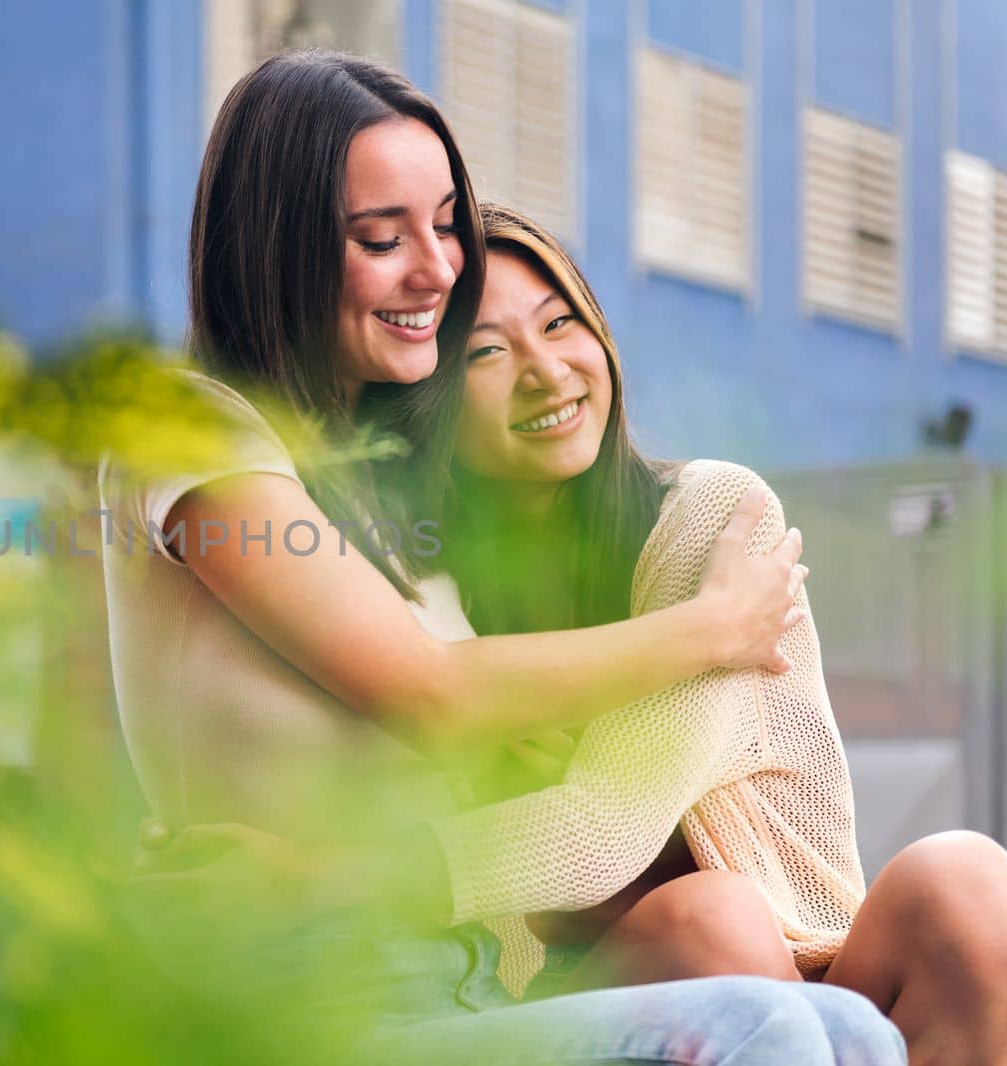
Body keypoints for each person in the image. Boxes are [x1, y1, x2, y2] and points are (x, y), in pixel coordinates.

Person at [100, 49, 903, 1063]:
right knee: (760, 1020)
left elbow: (522, 765)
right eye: (380, 238)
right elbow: (434, 690)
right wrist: (709, 628)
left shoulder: (390, 512)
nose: (436, 266)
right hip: (300, 1000)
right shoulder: (189, 425)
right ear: (279, 247)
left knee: (852, 1032)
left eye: (443, 222)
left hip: (453, 987)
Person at [432, 200, 1007, 1065]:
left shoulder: (711, 519)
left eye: (561, 323)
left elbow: (602, 829)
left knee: (966, 882)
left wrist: (346, 874)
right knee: (708, 921)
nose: (547, 372)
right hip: (576, 996)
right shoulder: (421, 589)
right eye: (485, 350)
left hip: (807, 964)